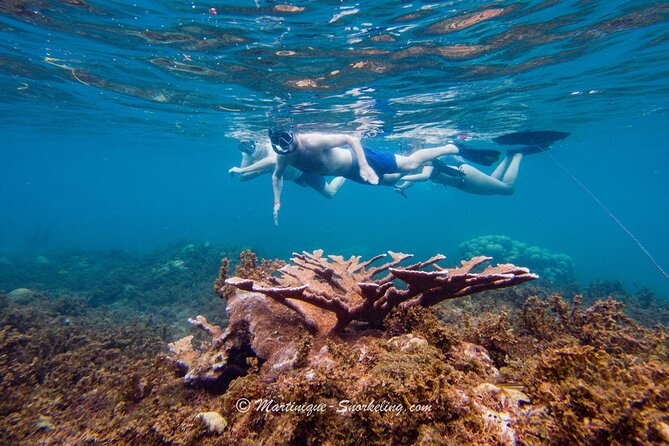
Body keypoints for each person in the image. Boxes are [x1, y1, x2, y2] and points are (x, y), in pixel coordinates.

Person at [269, 128, 499, 225]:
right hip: (350, 172)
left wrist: (363, 165)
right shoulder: (285, 156)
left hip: (360, 162)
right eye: (284, 148)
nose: (291, 150)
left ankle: (451, 147)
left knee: (409, 164)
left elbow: (351, 139)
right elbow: (276, 177)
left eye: (291, 145)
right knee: (390, 181)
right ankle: (429, 162)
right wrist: (277, 202)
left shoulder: (311, 141)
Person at [394, 147, 538, 196]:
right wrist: (403, 187)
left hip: (466, 176)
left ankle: (518, 156)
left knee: (508, 189)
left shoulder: (427, 161)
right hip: (462, 183)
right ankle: (508, 156)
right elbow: (413, 177)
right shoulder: (417, 164)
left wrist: (401, 179)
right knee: (492, 189)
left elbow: (424, 176)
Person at [229, 139, 346, 199]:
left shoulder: (269, 146)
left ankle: (344, 171)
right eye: (243, 148)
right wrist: (259, 171)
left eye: (250, 147)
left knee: (330, 193)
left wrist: (244, 170)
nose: (248, 151)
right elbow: (243, 178)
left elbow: (273, 159)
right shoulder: (247, 155)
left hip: (303, 171)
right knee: (305, 186)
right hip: (295, 177)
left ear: (258, 143)